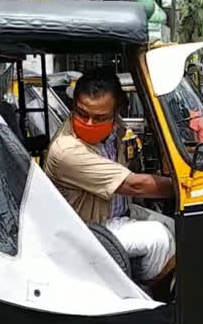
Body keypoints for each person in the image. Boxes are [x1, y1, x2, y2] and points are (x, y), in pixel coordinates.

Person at [44, 69, 176, 287]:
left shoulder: (117, 129)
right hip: (87, 231)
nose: (89, 122)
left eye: (100, 118)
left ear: (116, 113)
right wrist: (187, 187)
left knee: (174, 226)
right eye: (81, 113)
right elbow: (135, 185)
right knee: (159, 239)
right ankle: (145, 293)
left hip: (117, 214)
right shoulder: (66, 150)